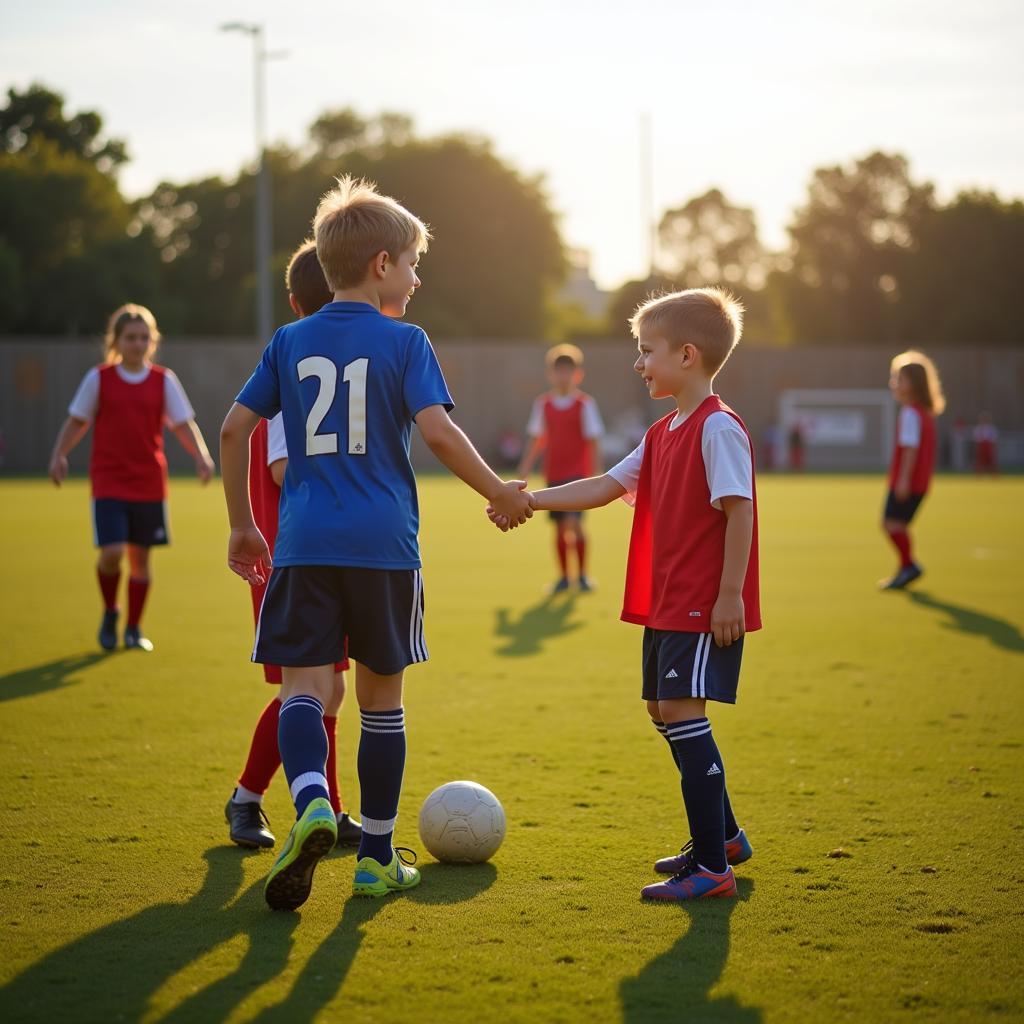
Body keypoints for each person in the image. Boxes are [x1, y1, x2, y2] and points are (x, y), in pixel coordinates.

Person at [220, 176, 532, 911]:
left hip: (301, 545)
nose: (418, 278)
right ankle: (379, 859)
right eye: (415, 264)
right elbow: (438, 430)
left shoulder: (289, 340)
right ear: (383, 264)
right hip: (385, 547)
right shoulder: (406, 341)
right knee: (381, 702)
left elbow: (235, 428)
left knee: (303, 688)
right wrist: (500, 493)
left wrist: (242, 523)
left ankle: (310, 803)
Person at [502, 287, 759, 901]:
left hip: (702, 601)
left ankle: (713, 870)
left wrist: (730, 595)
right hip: (668, 598)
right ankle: (723, 837)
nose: (639, 363)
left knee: (681, 712)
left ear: (688, 356)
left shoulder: (717, 428)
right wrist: (531, 499)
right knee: (659, 709)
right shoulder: (664, 430)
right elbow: (603, 484)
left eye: (648, 352)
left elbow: (739, 510)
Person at [225, 240, 361, 852]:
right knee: (304, 689)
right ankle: (246, 798)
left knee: (330, 688)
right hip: (290, 558)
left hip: (327, 555)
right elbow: (282, 467)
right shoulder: (298, 368)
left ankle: (326, 808)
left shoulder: (312, 360)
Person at [48, 304, 215, 652]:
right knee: (111, 553)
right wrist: (59, 453)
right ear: (117, 341)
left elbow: (183, 424)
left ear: (153, 341)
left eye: (144, 338)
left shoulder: (163, 380)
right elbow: (78, 420)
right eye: (131, 337)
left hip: (149, 483)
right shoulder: (99, 379)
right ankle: (111, 611)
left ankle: (134, 629)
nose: (138, 344)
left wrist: (201, 456)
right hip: (109, 481)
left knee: (141, 559)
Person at [517, 344, 605, 592]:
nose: (563, 376)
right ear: (551, 374)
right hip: (554, 474)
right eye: (558, 371)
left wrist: (598, 472)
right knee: (559, 527)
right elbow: (537, 438)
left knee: (573, 523)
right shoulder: (543, 404)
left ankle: (583, 576)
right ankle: (565, 577)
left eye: (568, 371)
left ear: (578, 374)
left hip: (577, 475)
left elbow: (594, 439)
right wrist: (525, 466)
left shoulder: (585, 404)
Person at [880, 350, 945, 590]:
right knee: (897, 524)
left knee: (891, 524)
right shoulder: (923, 413)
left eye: (899, 379)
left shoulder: (910, 413)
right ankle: (906, 567)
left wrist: (903, 480)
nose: (894, 383)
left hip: (909, 481)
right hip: (920, 482)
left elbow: (910, 450)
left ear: (913, 385)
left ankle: (909, 565)